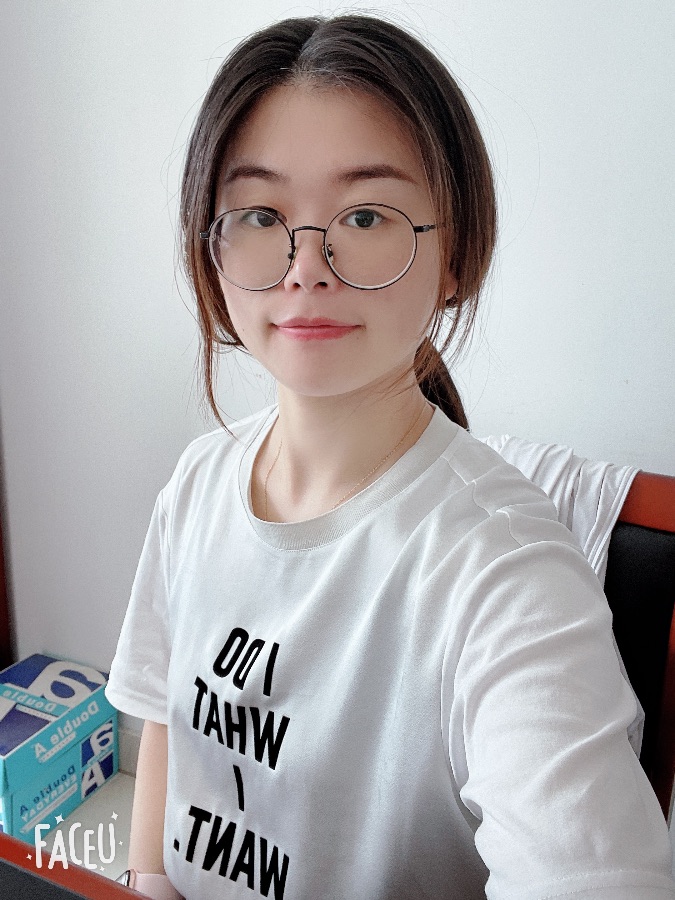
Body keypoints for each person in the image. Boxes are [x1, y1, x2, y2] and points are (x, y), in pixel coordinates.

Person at [105, 14, 675, 900]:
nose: (306, 266)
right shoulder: (196, 484)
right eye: (259, 214)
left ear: (456, 257)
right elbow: (164, 725)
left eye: (365, 215)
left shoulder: (510, 578)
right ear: (211, 248)